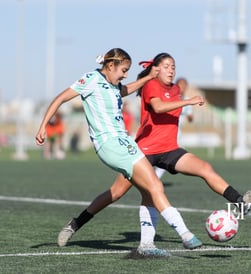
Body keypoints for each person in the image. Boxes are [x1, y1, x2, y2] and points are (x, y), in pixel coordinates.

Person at [56, 52, 251, 257]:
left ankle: (240, 201)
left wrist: (186, 102)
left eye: (173, 66)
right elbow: (158, 107)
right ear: (156, 68)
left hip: (170, 149)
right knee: (117, 193)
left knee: (205, 168)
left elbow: (179, 113)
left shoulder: (175, 89)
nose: (171, 69)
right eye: (166, 66)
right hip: (144, 150)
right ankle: (75, 224)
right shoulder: (151, 84)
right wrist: (188, 102)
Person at [35, 48, 202, 256]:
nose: (125, 75)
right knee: (154, 185)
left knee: (129, 192)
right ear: (110, 66)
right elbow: (60, 98)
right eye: (123, 70)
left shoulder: (114, 85)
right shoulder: (91, 79)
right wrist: (43, 125)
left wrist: (149, 76)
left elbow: (126, 89)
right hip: (110, 144)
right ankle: (185, 235)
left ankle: (81, 225)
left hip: (124, 142)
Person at [154, 77, 192, 178]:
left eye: (184, 86)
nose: (182, 88)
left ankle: (155, 176)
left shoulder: (188, 100)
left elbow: (190, 117)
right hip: (166, 130)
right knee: (165, 154)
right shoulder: (171, 97)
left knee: (167, 154)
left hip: (177, 132)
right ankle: (153, 176)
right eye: (180, 85)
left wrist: (190, 117)